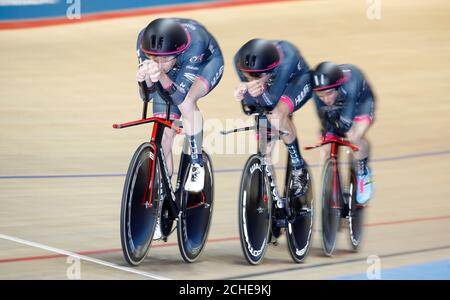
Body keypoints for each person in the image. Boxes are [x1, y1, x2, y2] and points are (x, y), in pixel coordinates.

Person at [136, 18, 224, 194]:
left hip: (204, 64)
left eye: (164, 59)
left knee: (187, 103)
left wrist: (159, 74)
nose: (158, 63)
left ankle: (196, 164)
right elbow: (148, 95)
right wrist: (143, 80)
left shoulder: (196, 43)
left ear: (177, 53)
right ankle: (162, 194)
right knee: (164, 137)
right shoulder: (143, 41)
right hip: (175, 68)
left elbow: (179, 97)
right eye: (153, 58)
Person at [233, 39, 313, 198]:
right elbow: (250, 107)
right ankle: (270, 196)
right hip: (270, 85)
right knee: (265, 146)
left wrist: (251, 90)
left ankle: (299, 166)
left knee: (277, 115)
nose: (252, 79)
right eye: (249, 75)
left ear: (269, 71)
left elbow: (271, 103)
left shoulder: (287, 60)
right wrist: (243, 92)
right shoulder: (239, 60)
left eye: (257, 75)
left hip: (297, 81)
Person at [311, 61, 375, 204]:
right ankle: (327, 189)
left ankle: (363, 173)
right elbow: (323, 118)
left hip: (360, 104)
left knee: (353, 136)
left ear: (338, 87)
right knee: (325, 148)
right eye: (321, 95)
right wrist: (326, 134)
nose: (325, 99)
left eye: (328, 93)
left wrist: (338, 125)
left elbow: (345, 125)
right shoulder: (317, 92)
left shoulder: (350, 85)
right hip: (337, 109)